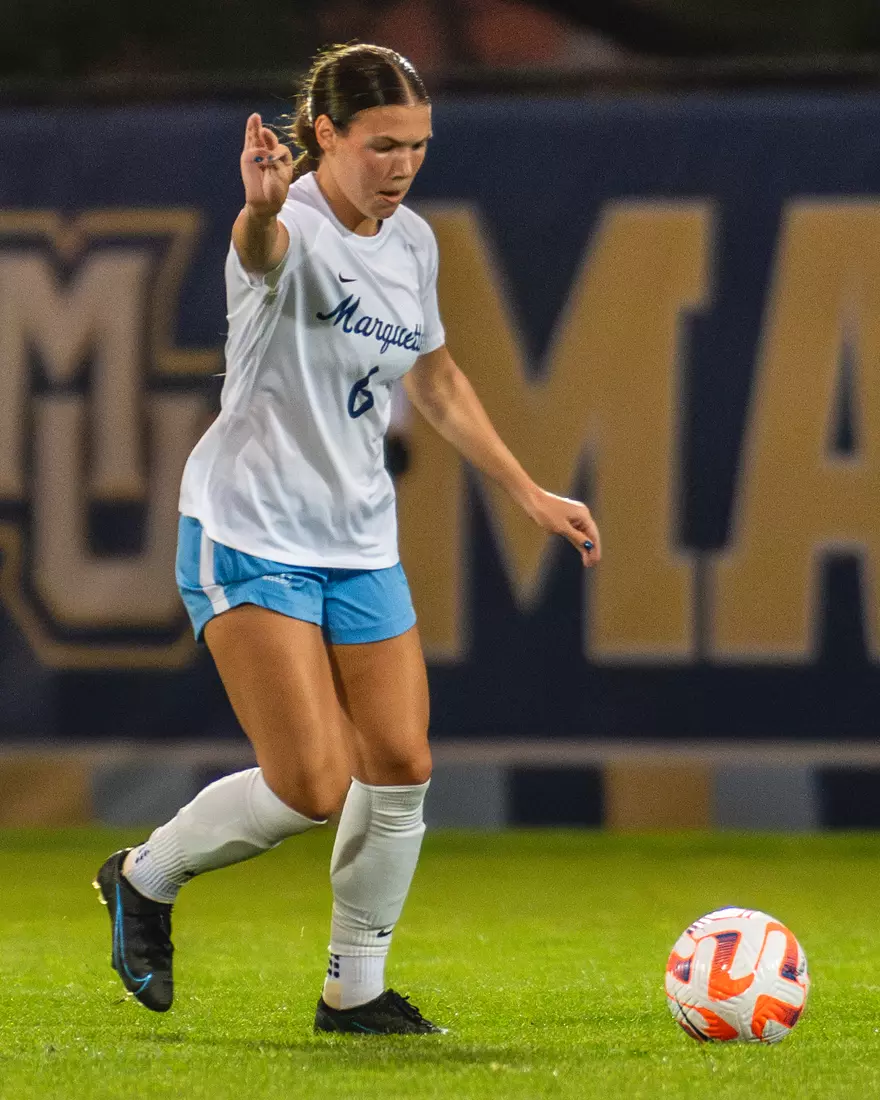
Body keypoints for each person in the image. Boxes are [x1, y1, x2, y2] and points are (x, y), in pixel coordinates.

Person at [94, 42, 601, 1036]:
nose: (402, 164)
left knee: (402, 759)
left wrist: (527, 489)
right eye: (381, 145)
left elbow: (438, 380)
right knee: (312, 782)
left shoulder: (411, 241)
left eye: (416, 144)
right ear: (323, 134)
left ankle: (354, 989)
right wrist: (262, 207)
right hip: (248, 527)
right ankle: (144, 877)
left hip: (359, 534)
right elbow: (258, 252)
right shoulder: (292, 226)